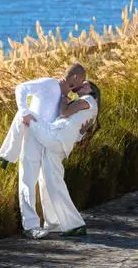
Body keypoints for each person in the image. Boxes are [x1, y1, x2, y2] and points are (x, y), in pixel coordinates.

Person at [0, 64, 87, 236]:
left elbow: (65, 125)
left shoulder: (66, 100)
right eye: (82, 80)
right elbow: (21, 88)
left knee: (47, 182)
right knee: (28, 179)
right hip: (32, 138)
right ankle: (31, 227)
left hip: (49, 144)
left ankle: (52, 223)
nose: (82, 84)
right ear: (75, 77)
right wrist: (24, 112)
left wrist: (80, 134)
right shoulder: (49, 84)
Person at [21, 80, 101, 239]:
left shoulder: (88, 100)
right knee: (48, 182)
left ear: (91, 90)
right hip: (60, 142)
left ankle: (74, 224)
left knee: (25, 115)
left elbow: (64, 113)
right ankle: (54, 223)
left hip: (56, 139)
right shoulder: (86, 105)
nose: (82, 84)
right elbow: (78, 131)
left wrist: (64, 95)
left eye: (85, 84)